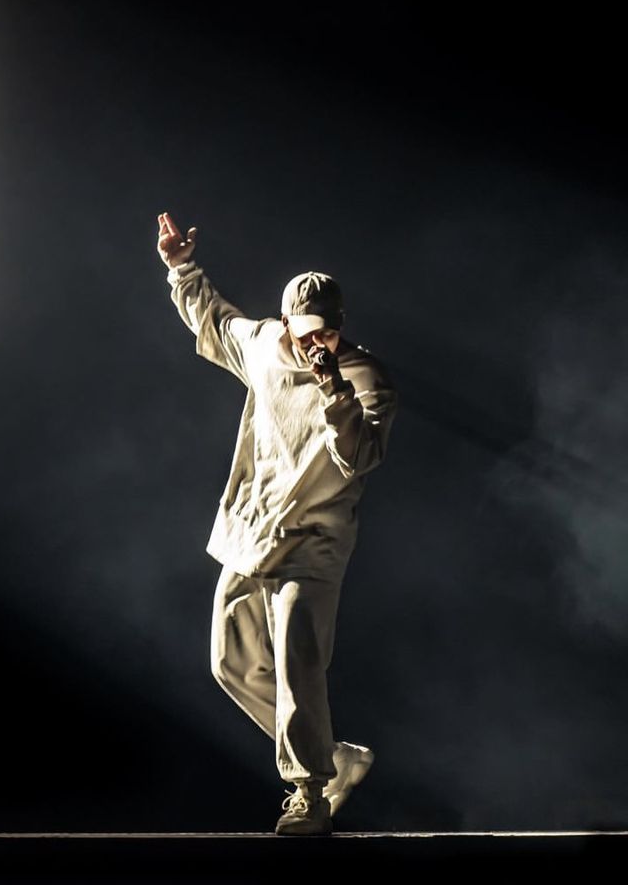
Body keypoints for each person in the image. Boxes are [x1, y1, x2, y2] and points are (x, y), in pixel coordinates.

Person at [157, 211, 398, 835]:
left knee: (296, 659)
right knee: (230, 663)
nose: (318, 345)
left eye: (328, 333)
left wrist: (334, 391)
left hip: (315, 542)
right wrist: (181, 266)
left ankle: (309, 793)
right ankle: (335, 759)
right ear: (287, 322)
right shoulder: (265, 346)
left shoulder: (366, 378)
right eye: (306, 333)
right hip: (253, 531)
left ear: (341, 326)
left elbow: (361, 456)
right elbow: (215, 321)